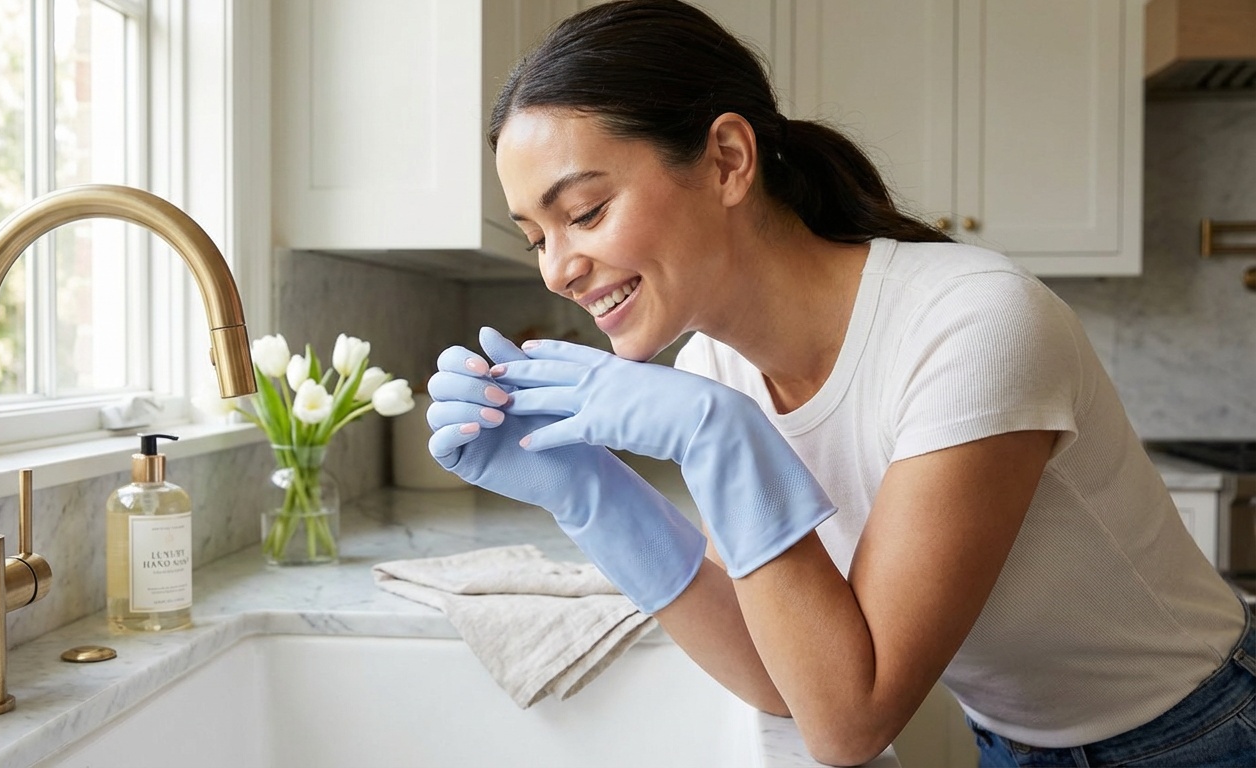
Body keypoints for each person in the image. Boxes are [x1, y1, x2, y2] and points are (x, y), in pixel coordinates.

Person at [424, 2, 1256, 765]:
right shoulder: (716, 365)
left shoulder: (972, 325)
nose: (559, 270)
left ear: (725, 159)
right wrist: (592, 498)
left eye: (585, 212)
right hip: (1015, 745)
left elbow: (851, 721)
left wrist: (723, 437)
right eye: (535, 237)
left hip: (1206, 732)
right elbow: (784, 679)